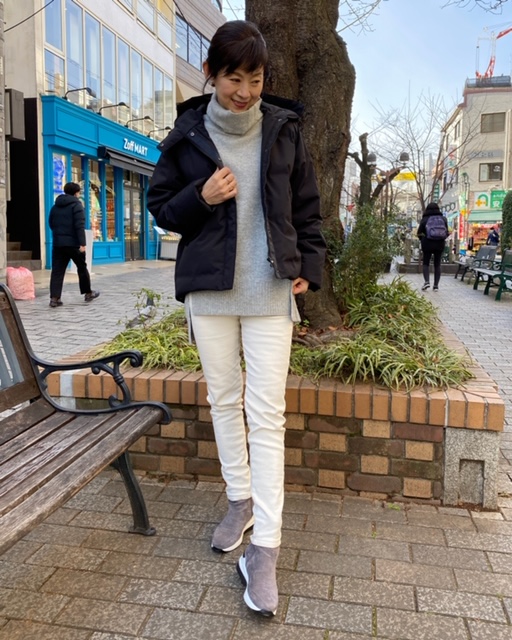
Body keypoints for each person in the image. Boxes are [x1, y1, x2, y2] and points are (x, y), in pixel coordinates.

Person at [148, 20, 326, 617]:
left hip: (270, 290)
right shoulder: (187, 134)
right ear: (211, 74)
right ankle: (239, 500)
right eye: (233, 78)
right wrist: (202, 197)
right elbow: (161, 210)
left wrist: (308, 268)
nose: (245, 91)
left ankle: (266, 548)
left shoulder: (283, 130)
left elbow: (307, 208)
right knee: (224, 400)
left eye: (255, 79)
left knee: (266, 414)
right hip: (210, 291)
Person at [48, 182, 100, 307]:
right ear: (76, 193)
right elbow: (79, 225)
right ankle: (88, 293)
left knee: (57, 270)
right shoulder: (77, 205)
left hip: (58, 244)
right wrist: (82, 243)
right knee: (82, 268)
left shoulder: (55, 206)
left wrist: (59, 235)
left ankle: (54, 298)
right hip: (73, 244)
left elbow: (51, 223)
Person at [417, 202, 449, 292]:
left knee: (426, 263)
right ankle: (436, 286)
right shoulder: (443, 219)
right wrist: (442, 238)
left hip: (427, 243)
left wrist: (422, 239)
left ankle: (427, 281)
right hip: (440, 244)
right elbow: (446, 232)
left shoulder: (425, 219)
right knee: (437, 264)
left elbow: (419, 232)